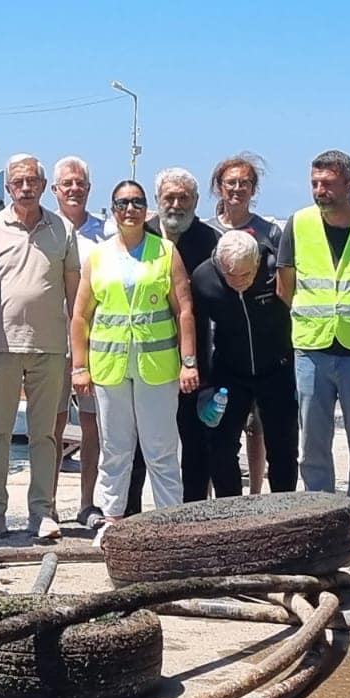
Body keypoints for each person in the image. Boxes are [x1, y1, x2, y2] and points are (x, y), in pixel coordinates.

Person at [71, 179, 200, 530]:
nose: (130, 209)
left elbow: (184, 310)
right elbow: (81, 315)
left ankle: (170, 523)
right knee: (115, 449)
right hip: (109, 366)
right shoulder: (98, 256)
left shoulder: (165, 252)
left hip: (157, 366)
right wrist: (79, 367)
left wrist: (189, 362)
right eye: (123, 203)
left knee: (160, 448)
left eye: (137, 203)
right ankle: (112, 520)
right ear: (113, 210)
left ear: (148, 209)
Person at [277, 150, 350, 542]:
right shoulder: (299, 223)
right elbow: (284, 286)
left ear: (349, 185)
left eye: (327, 183)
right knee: (313, 443)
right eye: (314, 183)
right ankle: (321, 519)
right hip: (312, 348)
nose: (319, 191)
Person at [0, 154, 79, 540]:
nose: (26, 187)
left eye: (32, 180)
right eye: (18, 182)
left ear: (44, 185)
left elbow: (74, 293)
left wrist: (75, 350)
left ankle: (41, 513)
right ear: (8, 187)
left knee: (45, 434)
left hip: (50, 347)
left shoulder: (62, 229)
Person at [128, 167, 221, 508]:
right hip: (146, 359)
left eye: (184, 198)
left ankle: (192, 510)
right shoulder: (140, 234)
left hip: (195, 362)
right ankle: (132, 513)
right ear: (157, 200)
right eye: (170, 197)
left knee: (195, 440)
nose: (176, 204)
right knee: (140, 442)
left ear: (196, 201)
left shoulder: (211, 241)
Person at [191, 230, 297, 495]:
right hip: (230, 371)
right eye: (231, 276)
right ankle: (233, 510)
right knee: (222, 446)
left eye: (246, 275)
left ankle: (284, 512)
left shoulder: (274, 268)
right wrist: (203, 382)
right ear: (219, 264)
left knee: (283, 447)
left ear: (258, 264)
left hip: (277, 368)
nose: (239, 282)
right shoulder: (204, 278)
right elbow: (198, 331)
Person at [209, 153, 283, 493]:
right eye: (231, 183)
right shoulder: (207, 232)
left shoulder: (270, 233)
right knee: (219, 434)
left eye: (245, 183)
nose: (237, 189)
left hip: (267, 354)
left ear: (254, 189)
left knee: (260, 429)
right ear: (218, 188)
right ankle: (225, 503)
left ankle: (257, 493)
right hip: (219, 355)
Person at [52, 156, 107, 528]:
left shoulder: (107, 233)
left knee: (92, 426)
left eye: (80, 183)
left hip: (93, 343)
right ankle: (48, 503)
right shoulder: (46, 229)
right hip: (52, 341)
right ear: (55, 189)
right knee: (51, 426)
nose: (74, 189)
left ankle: (88, 502)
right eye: (67, 183)